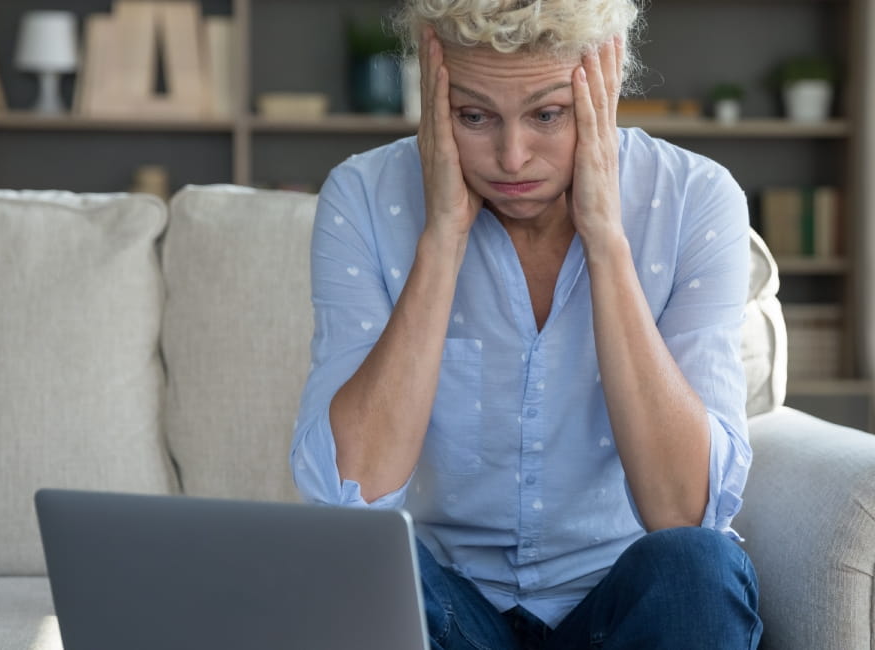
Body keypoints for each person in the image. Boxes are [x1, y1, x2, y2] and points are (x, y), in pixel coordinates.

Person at [291, 0, 762, 646]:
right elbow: (347, 499)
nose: (512, 158)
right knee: (349, 567)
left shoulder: (694, 200)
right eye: (474, 116)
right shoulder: (363, 199)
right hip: (452, 611)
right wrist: (442, 240)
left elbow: (683, 512)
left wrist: (606, 243)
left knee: (698, 573)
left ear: (609, 74)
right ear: (434, 89)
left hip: (616, 605)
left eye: (547, 114)